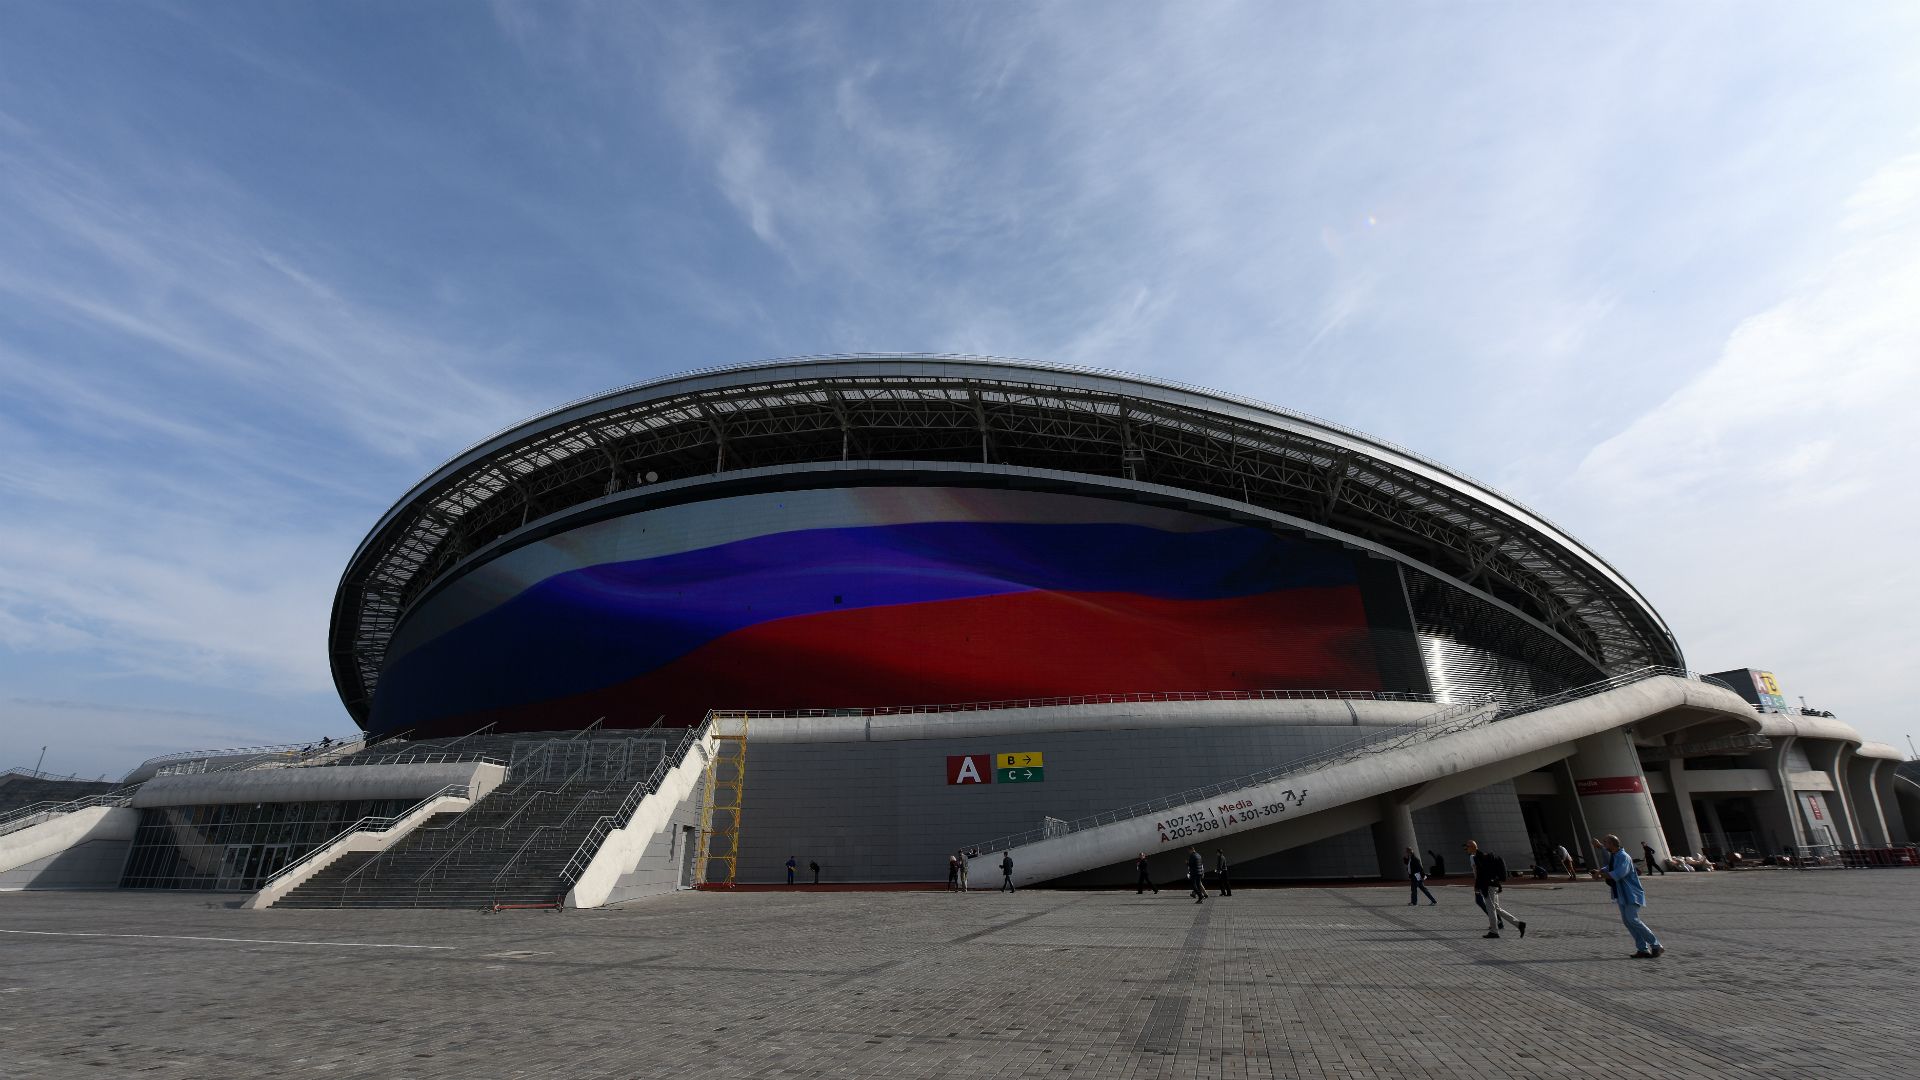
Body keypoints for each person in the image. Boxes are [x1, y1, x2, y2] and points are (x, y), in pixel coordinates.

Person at [1596, 834, 1663, 958]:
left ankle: (1656, 945)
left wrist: (1601, 875)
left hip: (1632, 893)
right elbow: (1610, 867)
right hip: (1622, 893)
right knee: (1628, 921)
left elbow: (1619, 873)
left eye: (1605, 842)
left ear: (1612, 844)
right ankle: (1642, 949)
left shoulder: (1623, 856)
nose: (1604, 844)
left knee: (1633, 920)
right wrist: (1600, 871)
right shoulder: (1615, 855)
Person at [1464, 839, 1525, 939]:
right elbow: (1490, 872)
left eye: (1467, 847)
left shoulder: (1477, 857)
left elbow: (1481, 874)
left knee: (1491, 909)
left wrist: (1477, 887)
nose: (1466, 849)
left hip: (1488, 887)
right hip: (1493, 885)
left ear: (1472, 847)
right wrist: (1498, 884)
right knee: (1496, 908)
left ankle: (1494, 931)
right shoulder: (1484, 855)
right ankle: (1519, 924)